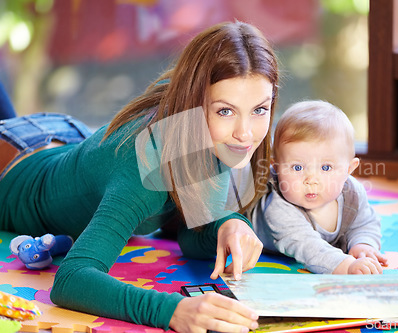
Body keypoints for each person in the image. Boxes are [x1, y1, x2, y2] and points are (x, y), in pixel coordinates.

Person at [0, 21, 279, 332]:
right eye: (226, 111)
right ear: (195, 102)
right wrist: (173, 311)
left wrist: (228, 224)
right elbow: (71, 279)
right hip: (10, 166)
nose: (245, 133)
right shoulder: (146, 165)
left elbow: (191, 234)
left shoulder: (212, 128)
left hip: (65, 137)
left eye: (259, 110)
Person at [249, 100, 388, 275]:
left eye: (326, 168)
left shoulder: (353, 194)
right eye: (297, 167)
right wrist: (345, 265)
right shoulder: (279, 209)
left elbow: (365, 223)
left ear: (348, 170)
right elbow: (309, 247)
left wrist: (363, 244)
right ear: (276, 168)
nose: (311, 180)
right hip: (247, 220)